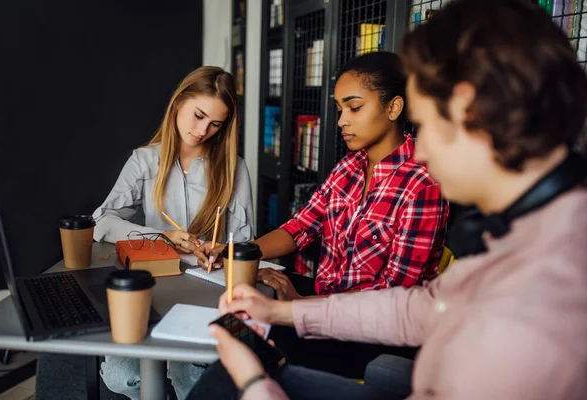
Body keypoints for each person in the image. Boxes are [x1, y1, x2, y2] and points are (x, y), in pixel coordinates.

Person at [187, 0, 587, 399]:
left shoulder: (541, 308)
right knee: (238, 349)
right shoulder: (521, 232)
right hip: (338, 310)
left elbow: (398, 293)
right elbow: (417, 307)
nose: (423, 151)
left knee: (233, 374)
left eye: (426, 123)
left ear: (468, 108)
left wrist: (256, 384)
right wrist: (281, 310)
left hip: (368, 348)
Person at [195, 51, 448, 378]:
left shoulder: (422, 184)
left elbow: (392, 300)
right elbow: (301, 228)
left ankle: (263, 375)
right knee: (236, 309)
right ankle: (256, 369)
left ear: (393, 108)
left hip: (378, 336)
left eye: (354, 108)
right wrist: (237, 253)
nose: (342, 120)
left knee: (246, 337)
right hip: (331, 302)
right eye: (339, 108)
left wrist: (297, 305)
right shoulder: (350, 166)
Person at [93, 66, 255, 400]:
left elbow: (246, 244)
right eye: (198, 115)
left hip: (209, 295)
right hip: (154, 289)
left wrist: (222, 251)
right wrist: (161, 237)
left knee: (189, 373)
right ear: (179, 102)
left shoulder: (233, 167)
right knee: (120, 375)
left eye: (215, 124)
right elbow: (103, 222)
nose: (202, 130)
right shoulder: (144, 161)